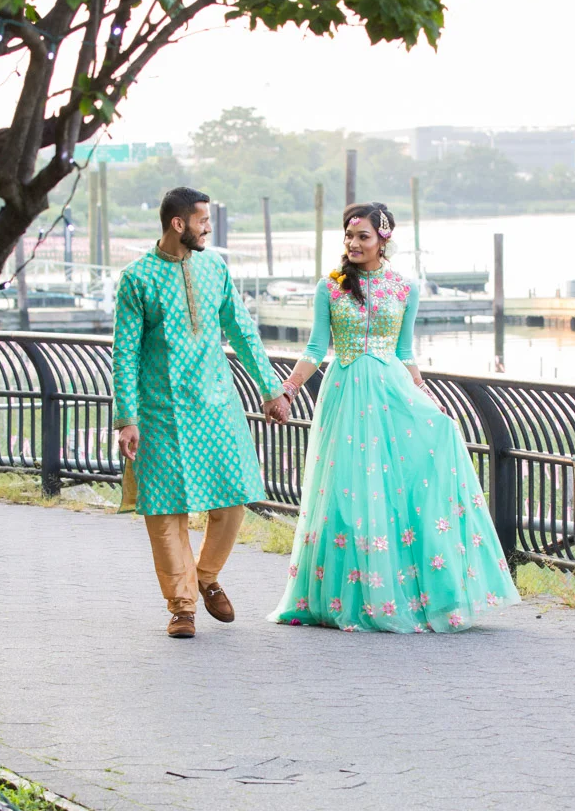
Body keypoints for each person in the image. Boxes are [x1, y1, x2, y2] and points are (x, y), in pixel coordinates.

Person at [268, 202, 519, 632]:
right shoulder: (330, 287)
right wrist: (288, 390)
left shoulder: (405, 288)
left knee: (398, 487)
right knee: (347, 493)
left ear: (383, 240)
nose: (353, 243)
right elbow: (315, 348)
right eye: (349, 236)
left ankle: (411, 591)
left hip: (393, 394)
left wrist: (428, 398)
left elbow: (405, 352)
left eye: (363, 237)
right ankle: (346, 595)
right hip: (346, 395)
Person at [112, 187, 291, 639]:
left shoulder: (215, 269)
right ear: (179, 224)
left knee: (233, 498)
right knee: (164, 511)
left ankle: (205, 576)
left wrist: (271, 389)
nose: (209, 228)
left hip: (217, 406)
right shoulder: (137, 279)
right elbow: (125, 352)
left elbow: (242, 331)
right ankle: (182, 606)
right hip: (160, 411)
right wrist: (127, 417)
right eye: (203, 221)